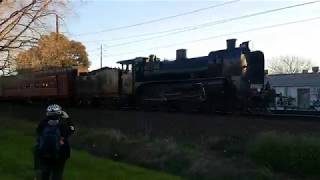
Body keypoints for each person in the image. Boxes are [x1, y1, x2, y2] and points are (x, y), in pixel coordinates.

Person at [34, 104, 75, 180]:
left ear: (47, 114)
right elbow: (72, 129)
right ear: (60, 114)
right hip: (60, 155)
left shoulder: (43, 124)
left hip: (44, 154)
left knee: (45, 173)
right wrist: (67, 118)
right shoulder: (63, 126)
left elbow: (38, 132)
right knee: (57, 173)